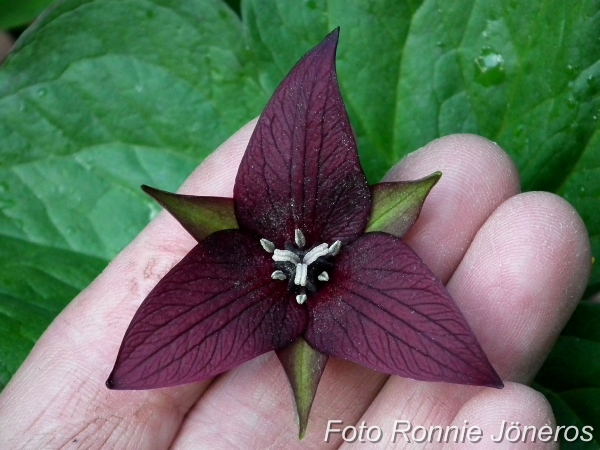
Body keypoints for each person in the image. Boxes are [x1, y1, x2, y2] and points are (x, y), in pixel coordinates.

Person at [0, 120, 591, 449]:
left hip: (332, 266)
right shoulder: (256, 283)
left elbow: (310, 119)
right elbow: (160, 348)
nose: (301, 264)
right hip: (306, 269)